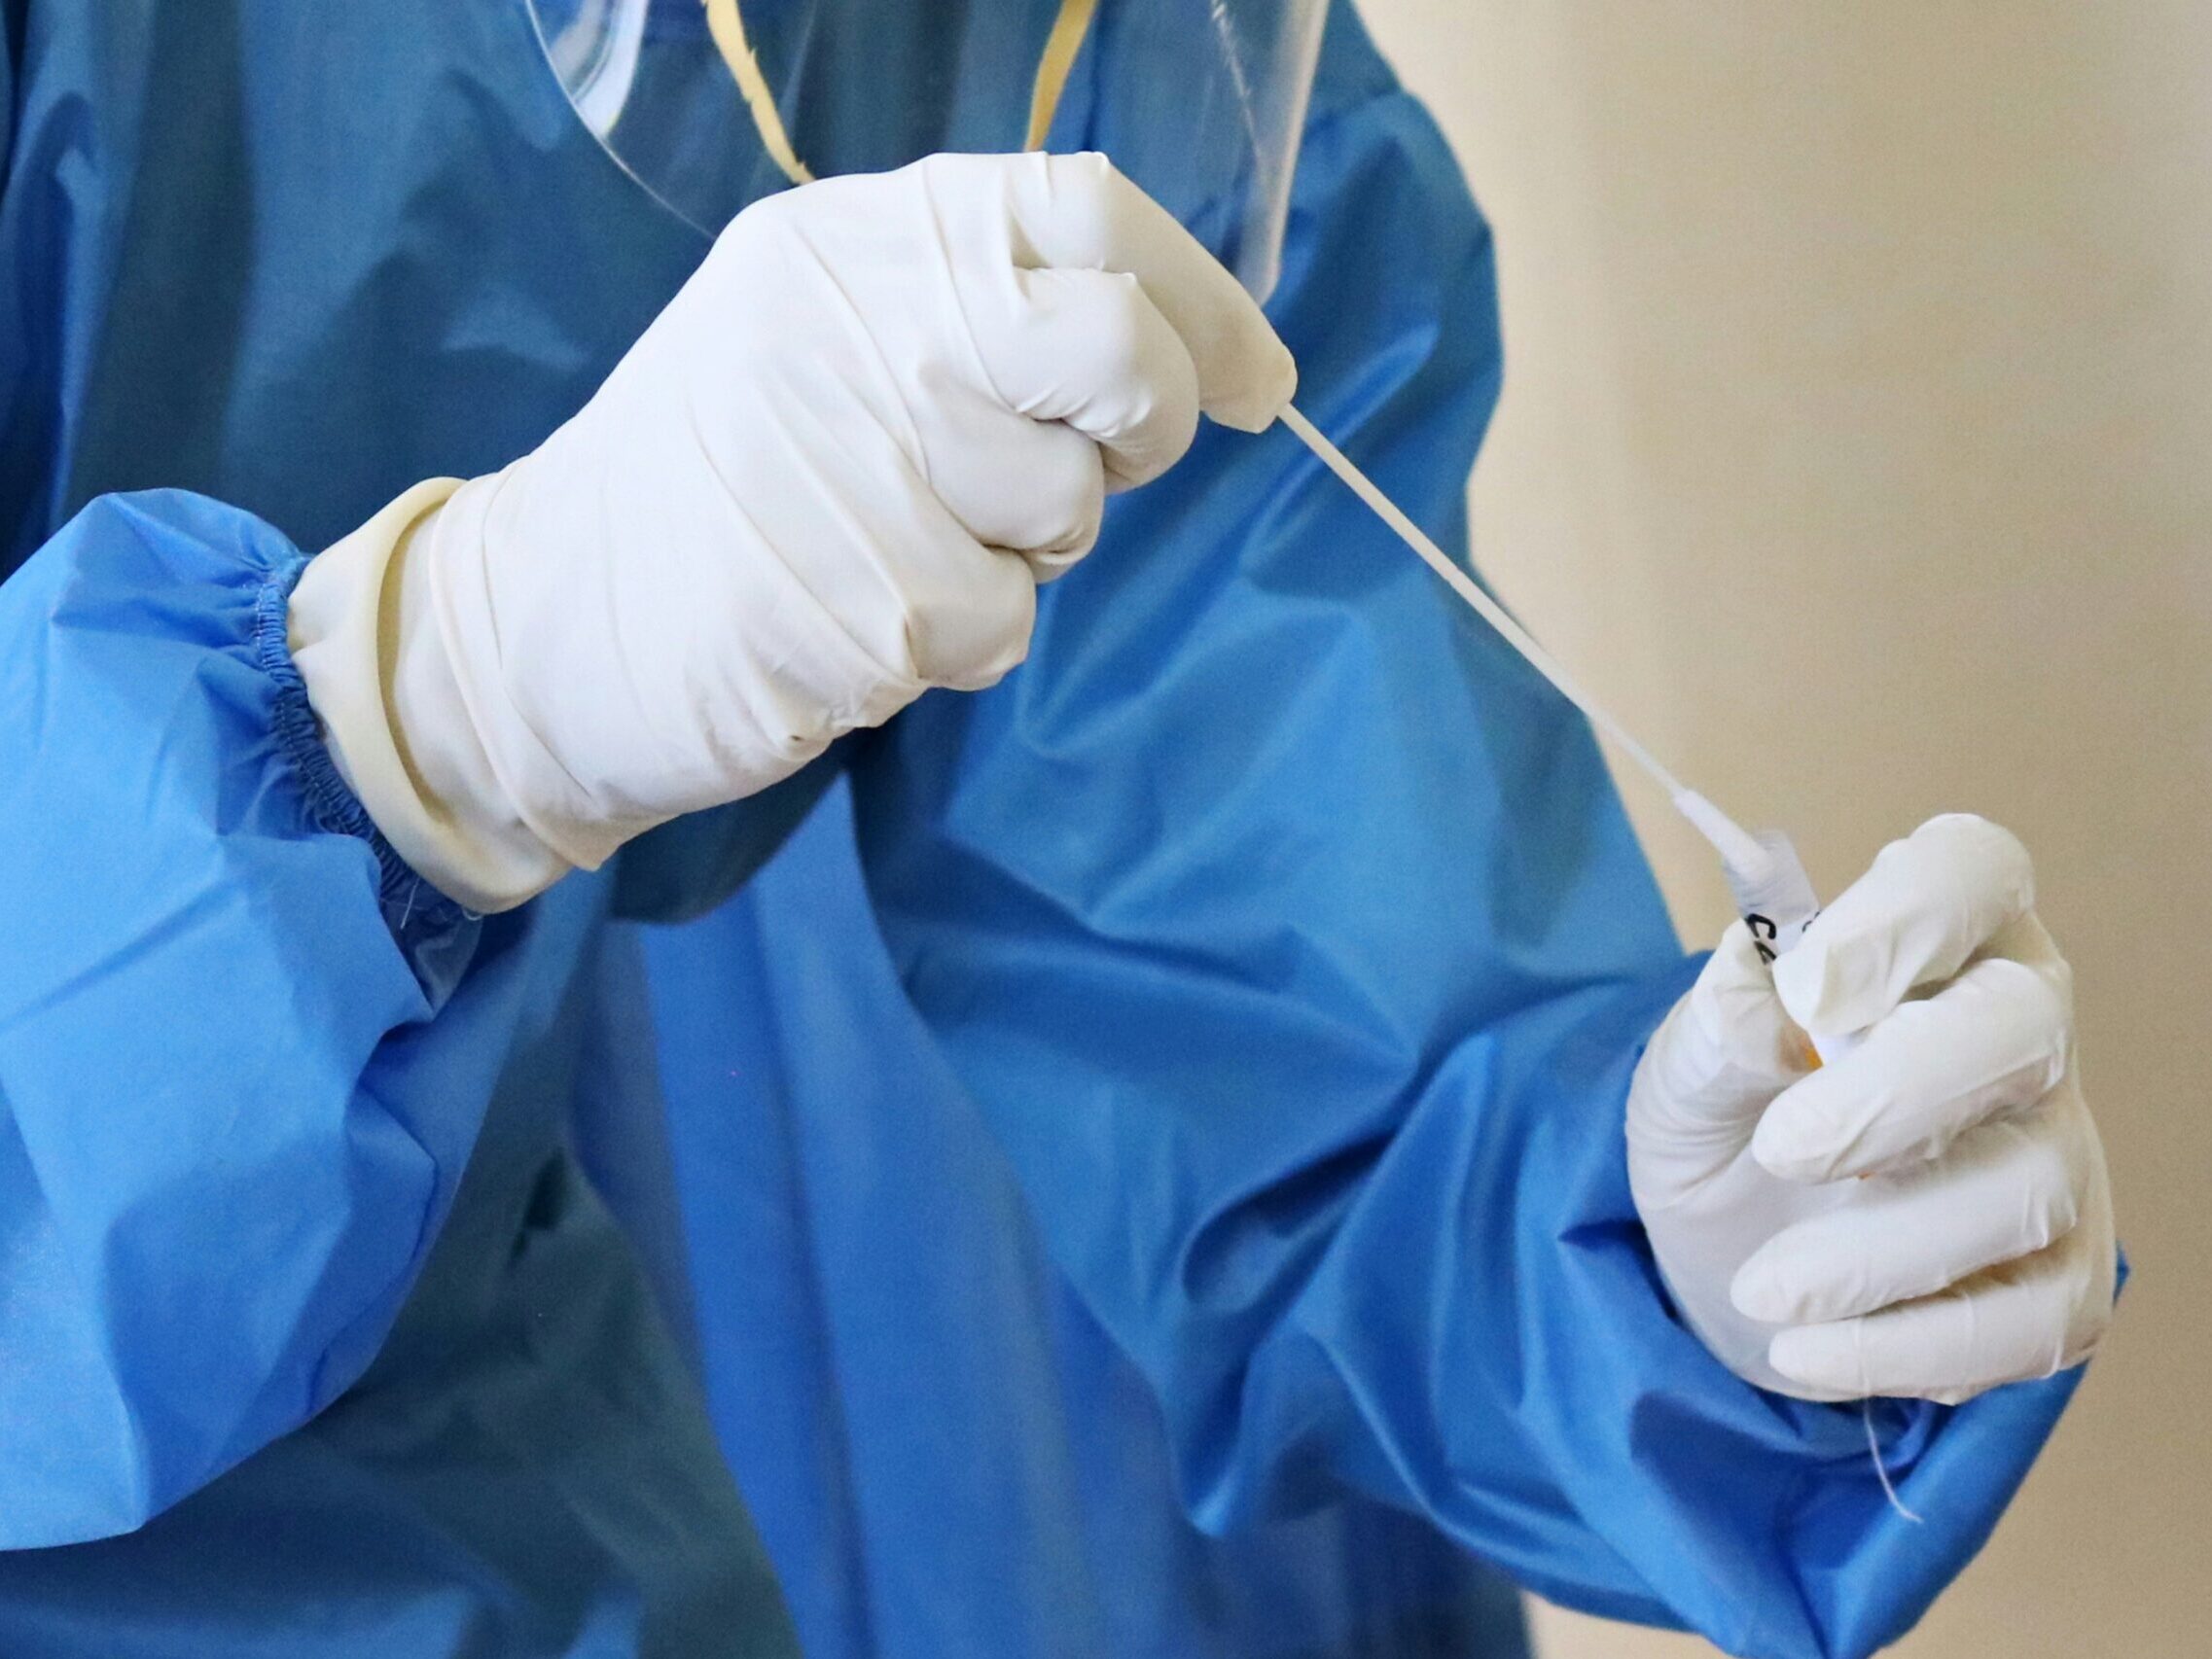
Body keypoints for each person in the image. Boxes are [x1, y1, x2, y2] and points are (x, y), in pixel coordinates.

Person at [0, 2, 2116, 1656]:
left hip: (467, 1543)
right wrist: (419, 704)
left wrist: (1706, 1262)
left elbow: (1303, 964)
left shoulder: (1085, 50)